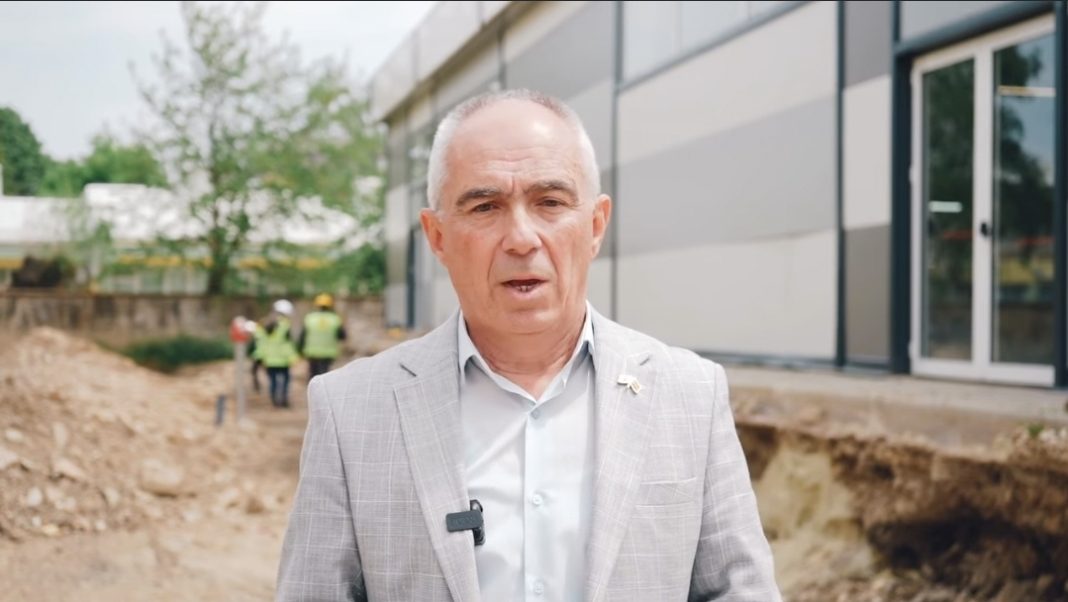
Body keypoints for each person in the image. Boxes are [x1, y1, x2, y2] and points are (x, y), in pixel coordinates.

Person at [276, 89, 781, 601]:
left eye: (550, 203)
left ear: (595, 225)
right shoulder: (351, 410)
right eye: (485, 206)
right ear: (438, 237)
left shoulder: (689, 395)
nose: (521, 238)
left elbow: (740, 590)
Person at [254, 299, 298, 408]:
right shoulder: (285, 325)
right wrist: (293, 357)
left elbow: (260, 342)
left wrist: (260, 357)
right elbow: (287, 344)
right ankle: (284, 400)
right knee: (285, 380)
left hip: (269, 359)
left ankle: (274, 401)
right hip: (283, 359)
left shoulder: (263, 324)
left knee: (273, 381)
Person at [298, 292, 347, 380]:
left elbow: (303, 336)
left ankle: (312, 388)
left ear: (316, 305)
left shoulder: (310, 318)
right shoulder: (335, 319)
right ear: (330, 306)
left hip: (312, 351)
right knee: (325, 374)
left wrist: (299, 350)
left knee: (313, 374)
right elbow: (342, 336)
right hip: (328, 352)